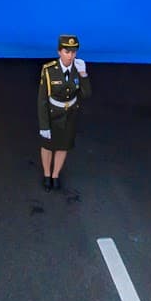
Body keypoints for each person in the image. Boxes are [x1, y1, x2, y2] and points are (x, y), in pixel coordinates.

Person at [37, 34, 89, 191]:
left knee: (63, 146)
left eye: (73, 52)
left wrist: (84, 75)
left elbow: (86, 94)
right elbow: (42, 100)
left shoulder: (78, 69)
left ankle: (55, 175)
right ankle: (47, 174)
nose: (70, 56)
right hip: (53, 114)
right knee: (48, 146)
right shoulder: (49, 70)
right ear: (59, 52)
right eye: (67, 52)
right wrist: (44, 125)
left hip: (69, 115)